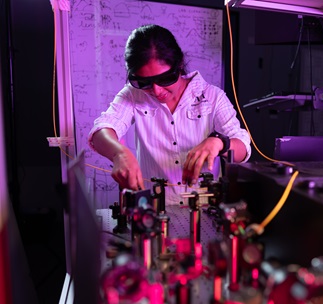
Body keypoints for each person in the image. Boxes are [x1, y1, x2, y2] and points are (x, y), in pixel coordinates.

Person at [88, 24, 251, 205]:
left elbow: (242, 146)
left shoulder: (213, 96)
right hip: (154, 210)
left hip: (205, 210)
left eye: (165, 79)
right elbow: (102, 130)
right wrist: (119, 154)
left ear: (179, 65)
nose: (157, 91)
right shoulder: (133, 95)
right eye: (144, 83)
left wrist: (220, 142)